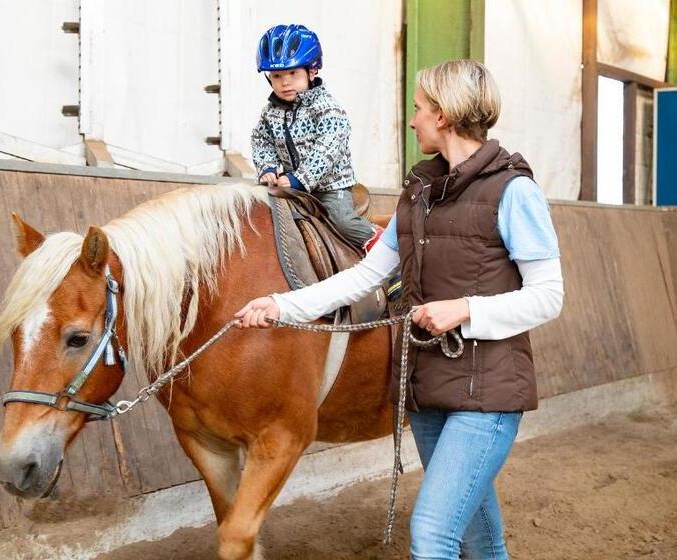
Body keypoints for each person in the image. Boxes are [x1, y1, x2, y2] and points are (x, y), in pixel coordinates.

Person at [236, 59, 564, 559]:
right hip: (428, 390)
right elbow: (366, 275)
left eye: (419, 110)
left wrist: (464, 310)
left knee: (431, 536)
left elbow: (548, 295)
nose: (412, 121)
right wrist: (281, 304)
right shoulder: (418, 193)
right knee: (481, 540)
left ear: (445, 116)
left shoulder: (514, 191)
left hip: (489, 392)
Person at [251, 24, 378, 249]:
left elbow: (327, 149)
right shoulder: (270, 111)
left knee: (342, 222)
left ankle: (384, 248)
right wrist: (268, 168)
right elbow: (261, 140)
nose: (285, 82)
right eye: (277, 75)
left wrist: (301, 178)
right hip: (291, 183)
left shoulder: (327, 108)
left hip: (330, 187)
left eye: (293, 73)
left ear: (312, 71)